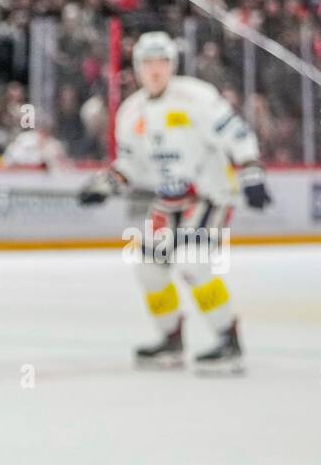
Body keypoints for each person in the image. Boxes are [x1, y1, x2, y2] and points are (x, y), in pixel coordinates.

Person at [78, 31, 270, 373]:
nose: (155, 70)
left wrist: (251, 174)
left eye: (162, 62)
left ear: (173, 65)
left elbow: (238, 135)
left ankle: (229, 339)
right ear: (137, 68)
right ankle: (171, 338)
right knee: (148, 269)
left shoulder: (197, 97)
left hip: (210, 196)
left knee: (194, 265)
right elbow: (130, 165)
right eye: (148, 63)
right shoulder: (129, 112)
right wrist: (105, 184)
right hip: (169, 202)